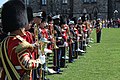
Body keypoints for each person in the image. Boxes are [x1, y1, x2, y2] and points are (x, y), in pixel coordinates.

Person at [0, 0, 44, 80]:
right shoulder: (19, 42)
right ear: (20, 25)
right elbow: (26, 63)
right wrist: (39, 61)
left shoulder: (5, 41)